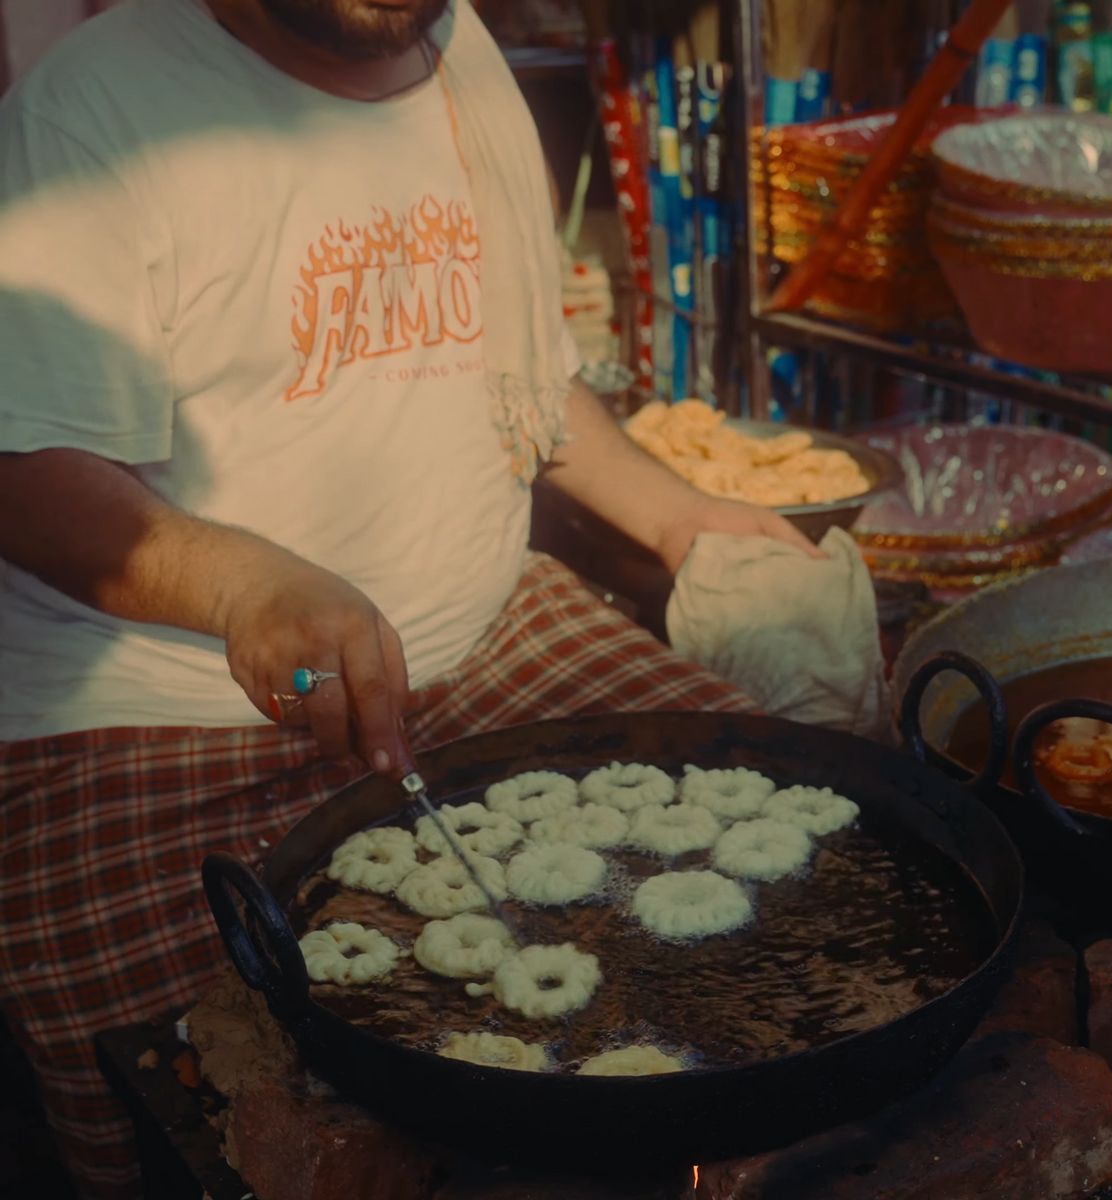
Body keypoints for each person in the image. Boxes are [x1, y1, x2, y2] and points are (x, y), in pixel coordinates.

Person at [0, 1, 813, 1194]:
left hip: (502, 646)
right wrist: (245, 582)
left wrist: (677, 513)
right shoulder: (94, 113)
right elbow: (22, 474)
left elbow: (522, 378)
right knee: (236, 1101)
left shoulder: (456, 49)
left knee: (788, 896)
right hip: (147, 723)